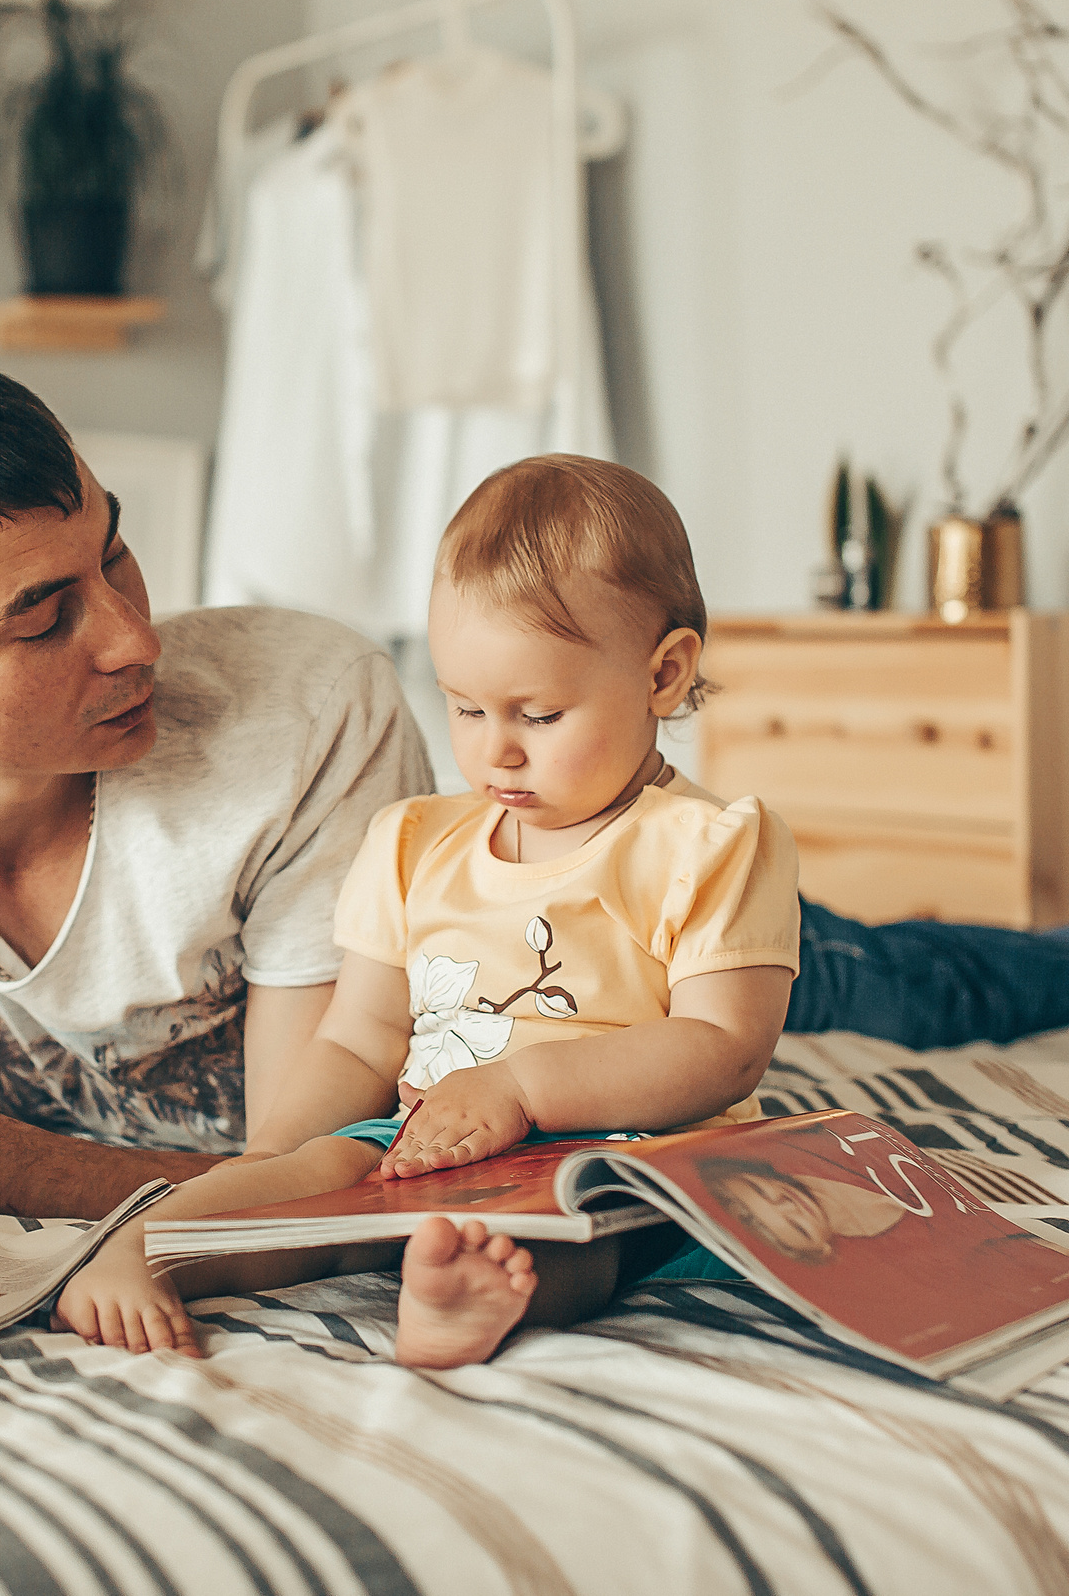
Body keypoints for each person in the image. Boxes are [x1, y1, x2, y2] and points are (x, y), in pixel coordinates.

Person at [0, 355, 1069, 1243]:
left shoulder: (295, 703)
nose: (137, 630)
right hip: (481, 973)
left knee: (919, 981)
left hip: (587, 964)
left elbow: (296, 1157)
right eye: (48, 613)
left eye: (118, 552)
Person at [52, 454, 800, 1365]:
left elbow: (724, 1047)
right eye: (467, 708)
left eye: (539, 714)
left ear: (665, 675)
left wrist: (522, 1089)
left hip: (628, 1151)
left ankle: (469, 1296)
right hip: (421, 1137)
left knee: (589, 1227)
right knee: (307, 1184)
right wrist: (273, 1156)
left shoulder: (710, 843)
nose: (498, 752)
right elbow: (361, 1038)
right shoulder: (415, 843)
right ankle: (142, 1251)